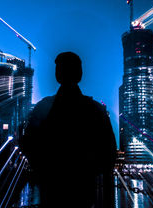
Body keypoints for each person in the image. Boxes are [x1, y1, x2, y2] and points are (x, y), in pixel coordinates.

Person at [21, 52, 116, 208]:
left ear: (57, 74)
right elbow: (109, 153)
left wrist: (44, 171)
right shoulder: (95, 110)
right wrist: (88, 171)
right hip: (82, 189)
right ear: (80, 74)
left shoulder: (43, 107)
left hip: (51, 188)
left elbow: (28, 144)